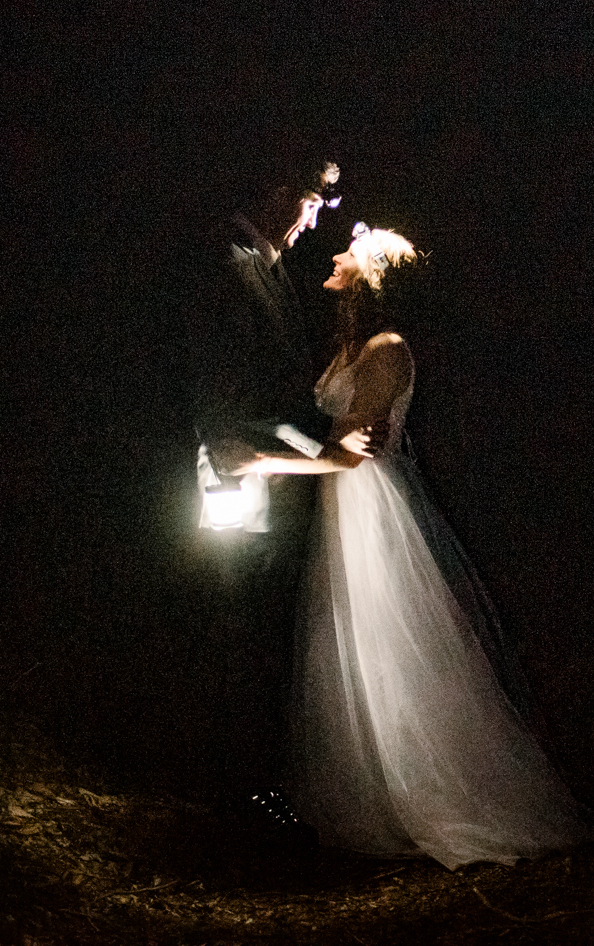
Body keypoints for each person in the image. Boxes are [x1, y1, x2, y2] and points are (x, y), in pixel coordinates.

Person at [286, 221, 594, 868]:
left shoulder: (389, 346)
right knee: (345, 641)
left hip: (371, 507)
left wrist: (300, 439)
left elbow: (356, 438)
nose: (339, 251)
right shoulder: (353, 341)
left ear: (371, 276)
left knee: (391, 641)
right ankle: (367, 791)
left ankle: (442, 792)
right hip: (339, 502)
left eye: (351, 249)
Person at [192, 166, 342, 803]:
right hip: (233, 462)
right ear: (279, 190)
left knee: (262, 614)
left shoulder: (272, 265)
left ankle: (260, 778)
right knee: (236, 616)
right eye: (310, 204)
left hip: (273, 462)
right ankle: (234, 785)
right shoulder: (225, 260)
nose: (312, 224)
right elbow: (210, 360)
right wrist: (230, 446)